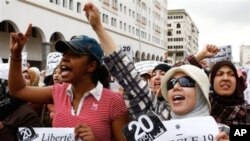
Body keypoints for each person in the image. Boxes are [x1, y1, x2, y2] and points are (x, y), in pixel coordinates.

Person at [83, 2, 229, 140]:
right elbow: (129, 77)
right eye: (171, 84)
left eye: (185, 81)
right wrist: (98, 28)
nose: (176, 87)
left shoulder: (220, 132)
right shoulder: (158, 119)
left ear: (202, 91)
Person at [8, 6, 129, 141]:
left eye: (74, 55)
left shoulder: (114, 102)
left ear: (91, 66)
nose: (64, 58)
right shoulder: (58, 92)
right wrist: (15, 54)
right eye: (64, 54)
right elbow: (18, 90)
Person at [209, 60, 250, 125]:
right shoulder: (203, 108)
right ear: (212, 81)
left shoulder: (247, 111)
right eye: (219, 74)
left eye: (231, 74)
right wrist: (200, 56)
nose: (225, 78)